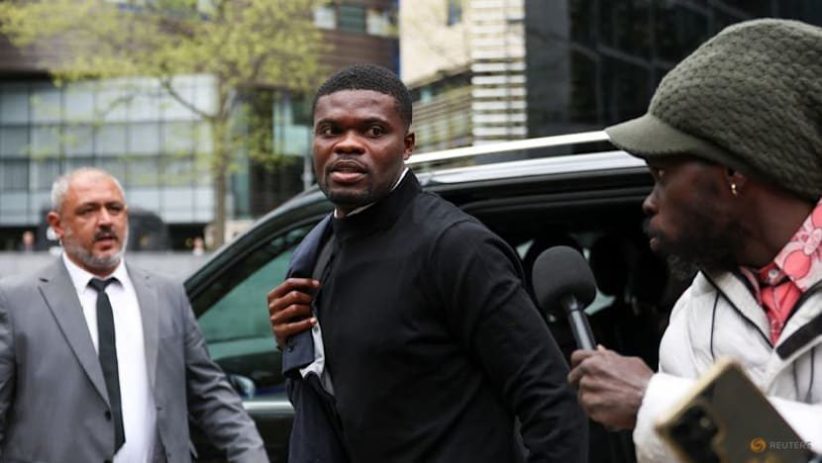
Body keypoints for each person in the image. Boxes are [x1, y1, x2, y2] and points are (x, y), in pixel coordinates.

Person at [267, 64, 587, 462]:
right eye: (330, 131)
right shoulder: (316, 253)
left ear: (407, 146)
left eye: (373, 131)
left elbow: (552, 402)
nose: (347, 145)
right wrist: (302, 344)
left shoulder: (456, 246)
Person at [567, 19, 822, 462]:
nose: (649, 202)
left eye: (661, 175)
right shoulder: (695, 314)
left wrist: (657, 401)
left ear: (734, 170)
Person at [0, 168, 268, 463]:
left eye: (114, 208)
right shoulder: (15, 302)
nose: (105, 220)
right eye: (88, 211)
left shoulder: (167, 295)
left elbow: (209, 392)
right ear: (57, 225)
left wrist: (250, 455)